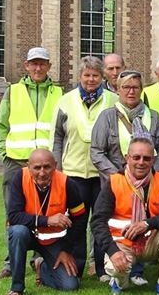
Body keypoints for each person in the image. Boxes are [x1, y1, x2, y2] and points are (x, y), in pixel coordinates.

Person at [91, 70, 159, 286]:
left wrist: (154, 174)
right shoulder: (107, 116)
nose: (131, 91)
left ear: (141, 89)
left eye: (135, 87)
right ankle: (109, 269)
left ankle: (138, 270)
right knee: (113, 223)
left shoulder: (153, 116)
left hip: (148, 183)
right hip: (116, 183)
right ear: (117, 89)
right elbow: (97, 151)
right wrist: (118, 176)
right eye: (126, 87)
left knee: (143, 222)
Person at [0, 47, 63, 280]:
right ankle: (11, 263)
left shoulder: (59, 93)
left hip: (46, 164)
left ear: (49, 66)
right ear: (26, 66)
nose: (38, 68)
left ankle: (38, 259)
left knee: (45, 209)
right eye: (34, 63)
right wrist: (4, 152)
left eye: (42, 63)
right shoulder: (12, 91)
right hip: (16, 160)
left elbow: (62, 128)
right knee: (12, 213)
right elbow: (1, 124)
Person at [51, 56, 118, 282]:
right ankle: (77, 267)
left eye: (95, 75)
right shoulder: (65, 101)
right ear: (79, 76)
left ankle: (102, 268)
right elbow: (57, 138)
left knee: (101, 221)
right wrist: (58, 171)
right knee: (77, 223)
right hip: (74, 173)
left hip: (103, 176)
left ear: (102, 77)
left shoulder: (112, 100)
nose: (91, 79)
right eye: (86, 75)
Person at [91, 138, 159, 295]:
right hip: (122, 243)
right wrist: (113, 251)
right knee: (116, 269)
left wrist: (147, 223)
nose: (141, 162)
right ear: (127, 158)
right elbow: (97, 222)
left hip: (151, 239)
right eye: (136, 157)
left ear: (153, 160)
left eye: (147, 158)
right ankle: (119, 282)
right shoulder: (114, 181)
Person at [6, 149, 86, 295]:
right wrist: (47, 220)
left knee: (70, 285)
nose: (42, 172)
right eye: (37, 167)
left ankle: (42, 268)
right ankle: (17, 288)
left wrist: (66, 250)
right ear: (28, 166)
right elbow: (13, 216)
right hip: (27, 235)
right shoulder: (20, 178)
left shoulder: (67, 183)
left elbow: (80, 218)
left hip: (53, 241)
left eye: (47, 167)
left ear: (55, 165)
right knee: (17, 231)